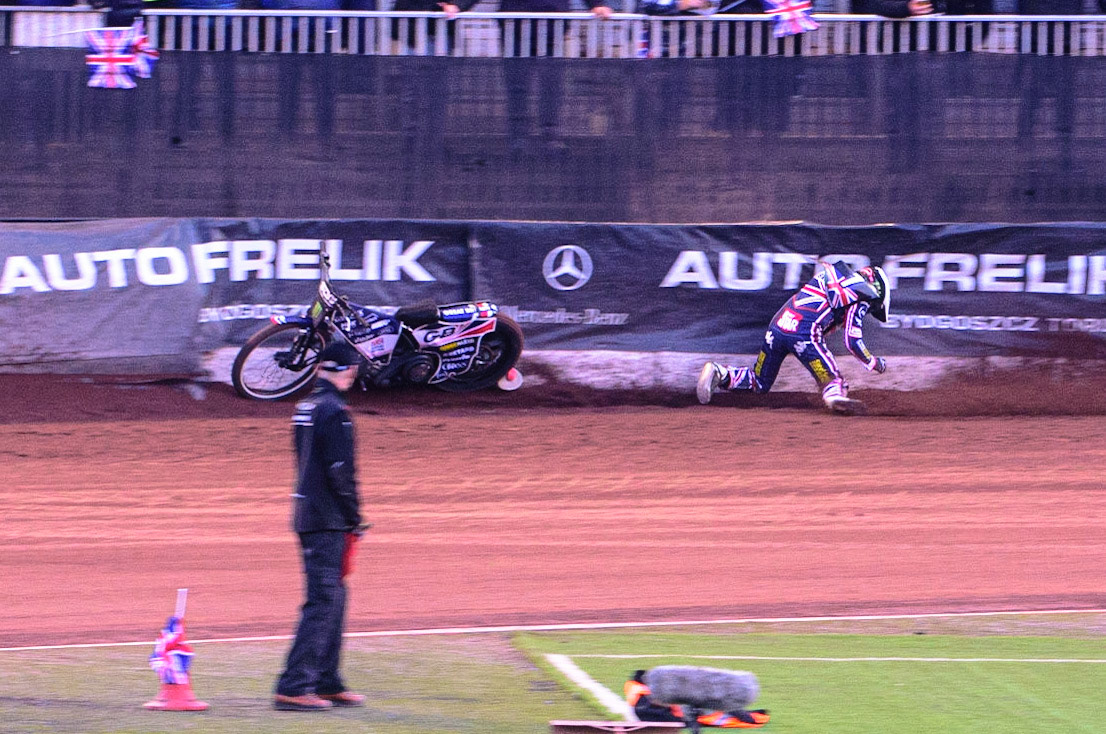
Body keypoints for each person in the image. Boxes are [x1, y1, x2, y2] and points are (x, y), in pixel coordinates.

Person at [274, 340, 367, 712]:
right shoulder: (336, 412)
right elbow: (341, 472)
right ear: (349, 371)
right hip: (327, 520)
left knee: (334, 599)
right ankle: (294, 685)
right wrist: (355, 517)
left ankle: (327, 681)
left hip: (307, 513)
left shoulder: (306, 407)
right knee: (323, 601)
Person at [696, 261, 891, 415]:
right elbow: (852, 340)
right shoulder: (863, 296)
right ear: (876, 289)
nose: (869, 311)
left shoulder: (830, 276)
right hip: (805, 335)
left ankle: (720, 373)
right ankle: (834, 398)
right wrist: (873, 362)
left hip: (777, 328)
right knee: (834, 381)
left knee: (760, 381)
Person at [624, 670, 771, 729]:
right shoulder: (646, 697)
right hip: (687, 712)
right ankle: (744, 715)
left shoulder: (638, 699)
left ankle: (743, 714)